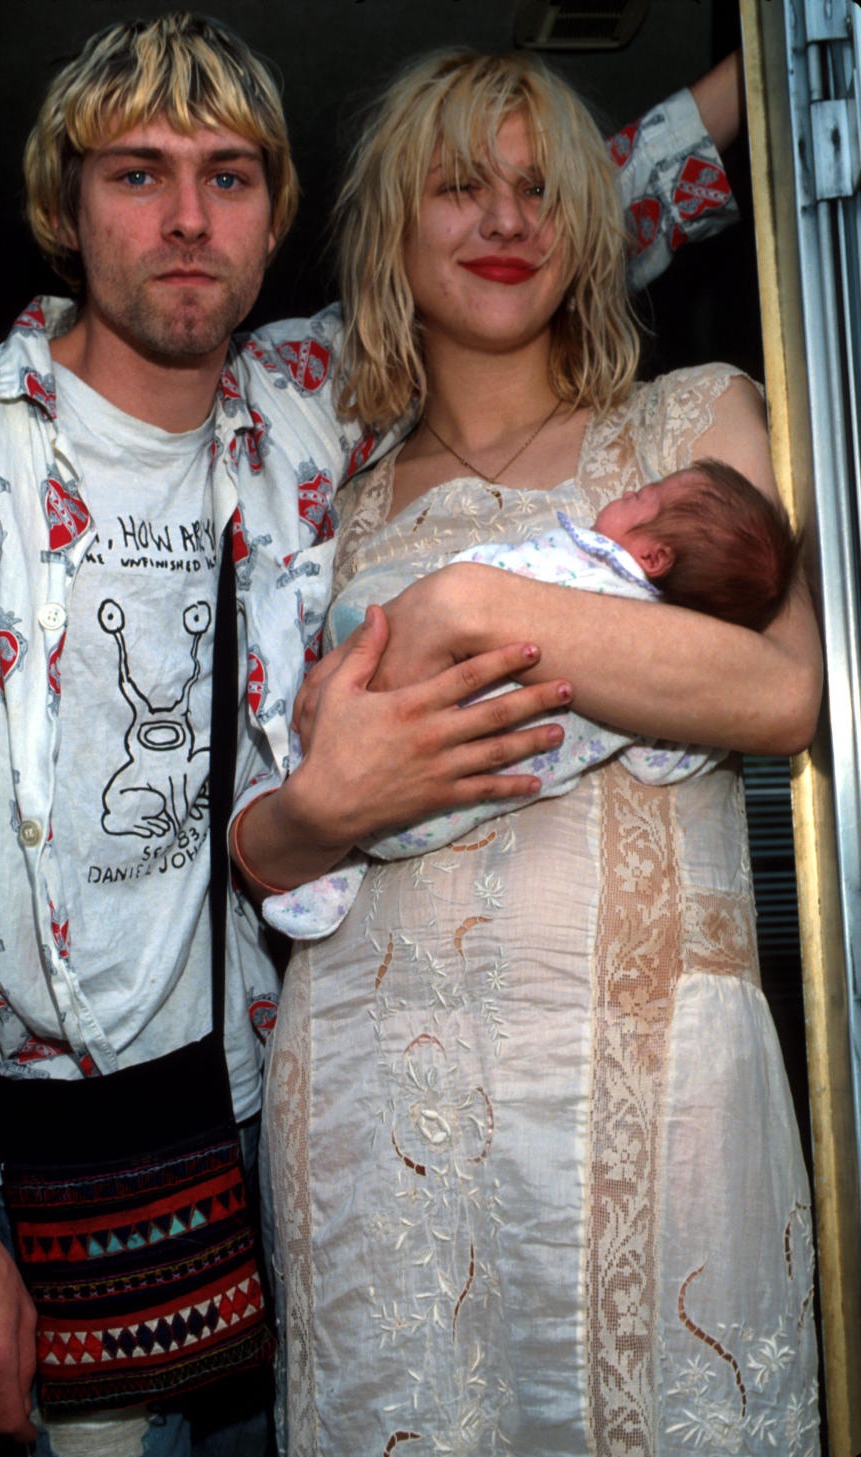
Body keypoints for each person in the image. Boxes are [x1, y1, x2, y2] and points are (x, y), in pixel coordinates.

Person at [0, 13, 742, 1456]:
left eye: (229, 177)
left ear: (277, 214)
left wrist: (780, 63)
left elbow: (542, 225)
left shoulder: (304, 401)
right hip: (47, 1156)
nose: (185, 219)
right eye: (137, 175)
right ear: (62, 203)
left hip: (294, 1120)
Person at [231, 49, 824, 1457]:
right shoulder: (321, 486)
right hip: (382, 1097)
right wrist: (326, 804)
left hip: (657, 1081)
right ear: (391, 225)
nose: (504, 221)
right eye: (458, 187)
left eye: (540, 188)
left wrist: (473, 608)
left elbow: (782, 692)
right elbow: (257, 830)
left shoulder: (696, 422)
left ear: (592, 221)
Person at [261, 457, 802, 940]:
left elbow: (495, 574)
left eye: (643, 497)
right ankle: (334, 876)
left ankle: (323, 863)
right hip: (425, 819)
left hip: (364, 742)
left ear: (654, 555)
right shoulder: (661, 673)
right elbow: (657, 766)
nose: (628, 492)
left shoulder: (585, 572)